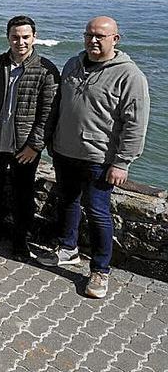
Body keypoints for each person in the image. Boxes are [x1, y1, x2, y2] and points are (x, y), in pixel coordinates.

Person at [38, 16, 150, 299]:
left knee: (98, 212)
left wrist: (122, 161)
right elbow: (59, 105)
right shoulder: (73, 64)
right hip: (64, 151)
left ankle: (100, 270)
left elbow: (135, 122)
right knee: (67, 202)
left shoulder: (129, 75)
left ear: (116, 39)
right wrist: (51, 140)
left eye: (100, 36)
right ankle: (68, 249)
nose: (93, 40)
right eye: (89, 35)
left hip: (99, 157)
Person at [0, 16, 59, 258]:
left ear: (34, 38)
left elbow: (48, 113)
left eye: (25, 37)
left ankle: (20, 240)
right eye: (15, 37)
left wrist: (35, 146)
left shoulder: (46, 70)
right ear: (8, 37)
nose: (20, 42)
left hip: (24, 148)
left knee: (23, 195)